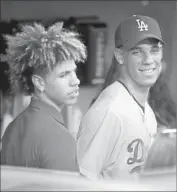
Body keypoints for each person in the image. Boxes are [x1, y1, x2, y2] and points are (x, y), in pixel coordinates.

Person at [77, 15, 165, 180]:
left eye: (154, 50)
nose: (148, 60)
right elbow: (81, 181)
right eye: (137, 52)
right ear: (120, 56)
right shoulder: (109, 111)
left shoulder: (146, 110)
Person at [1, 21, 87, 172]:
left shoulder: (11, 129)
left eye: (74, 71)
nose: (76, 81)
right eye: (64, 75)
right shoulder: (58, 137)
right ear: (39, 83)